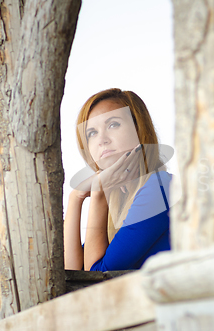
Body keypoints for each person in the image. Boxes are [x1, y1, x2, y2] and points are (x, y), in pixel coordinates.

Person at [64, 88, 172, 271]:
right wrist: (75, 198)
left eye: (113, 124)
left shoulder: (160, 187)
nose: (102, 140)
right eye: (92, 133)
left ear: (139, 129)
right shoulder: (118, 199)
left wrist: (98, 192)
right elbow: (73, 272)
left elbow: (96, 277)